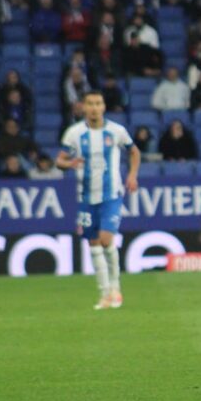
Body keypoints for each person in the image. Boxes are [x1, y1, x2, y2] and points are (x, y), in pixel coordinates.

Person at [56, 91, 140, 310]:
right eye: (90, 104)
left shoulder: (116, 131)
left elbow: (134, 152)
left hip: (111, 195)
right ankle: (104, 295)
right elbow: (60, 161)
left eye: (98, 103)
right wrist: (71, 163)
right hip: (85, 198)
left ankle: (115, 288)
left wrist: (132, 175)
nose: (94, 107)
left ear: (104, 107)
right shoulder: (74, 133)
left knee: (105, 239)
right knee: (93, 245)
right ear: (83, 107)